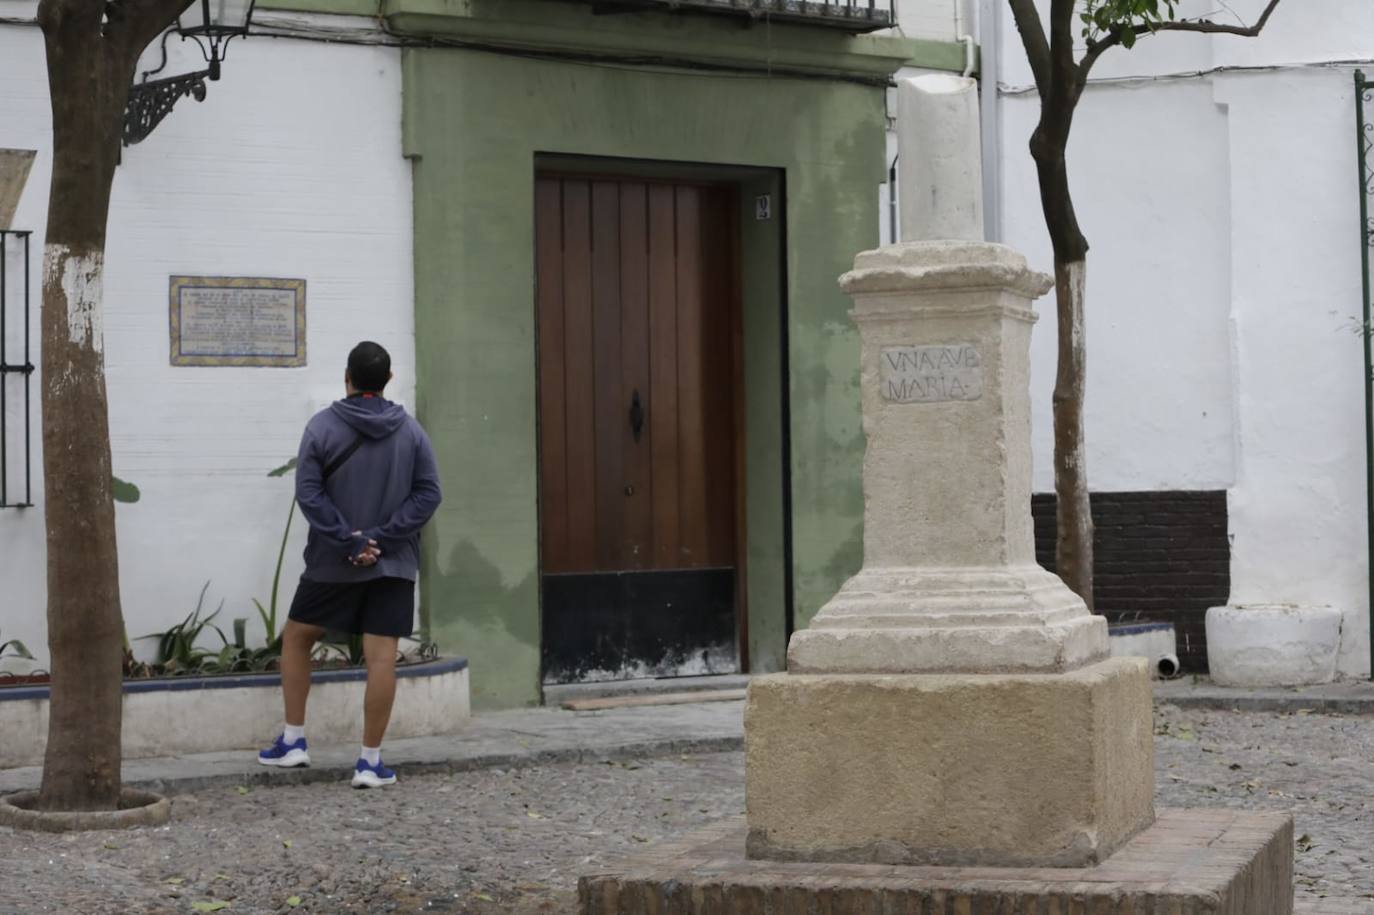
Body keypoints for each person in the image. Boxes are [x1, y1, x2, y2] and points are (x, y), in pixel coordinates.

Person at [257, 341, 442, 788]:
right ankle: (369, 762)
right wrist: (384, 538)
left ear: (347, 377)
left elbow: (309, 493)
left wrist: (349, 540)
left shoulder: (321, 427)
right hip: (392, 564)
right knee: (382, 658)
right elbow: (428, 494)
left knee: (297, 639)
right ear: (388, 379)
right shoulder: (411, 431)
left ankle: (294, 740)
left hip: (331, 563)